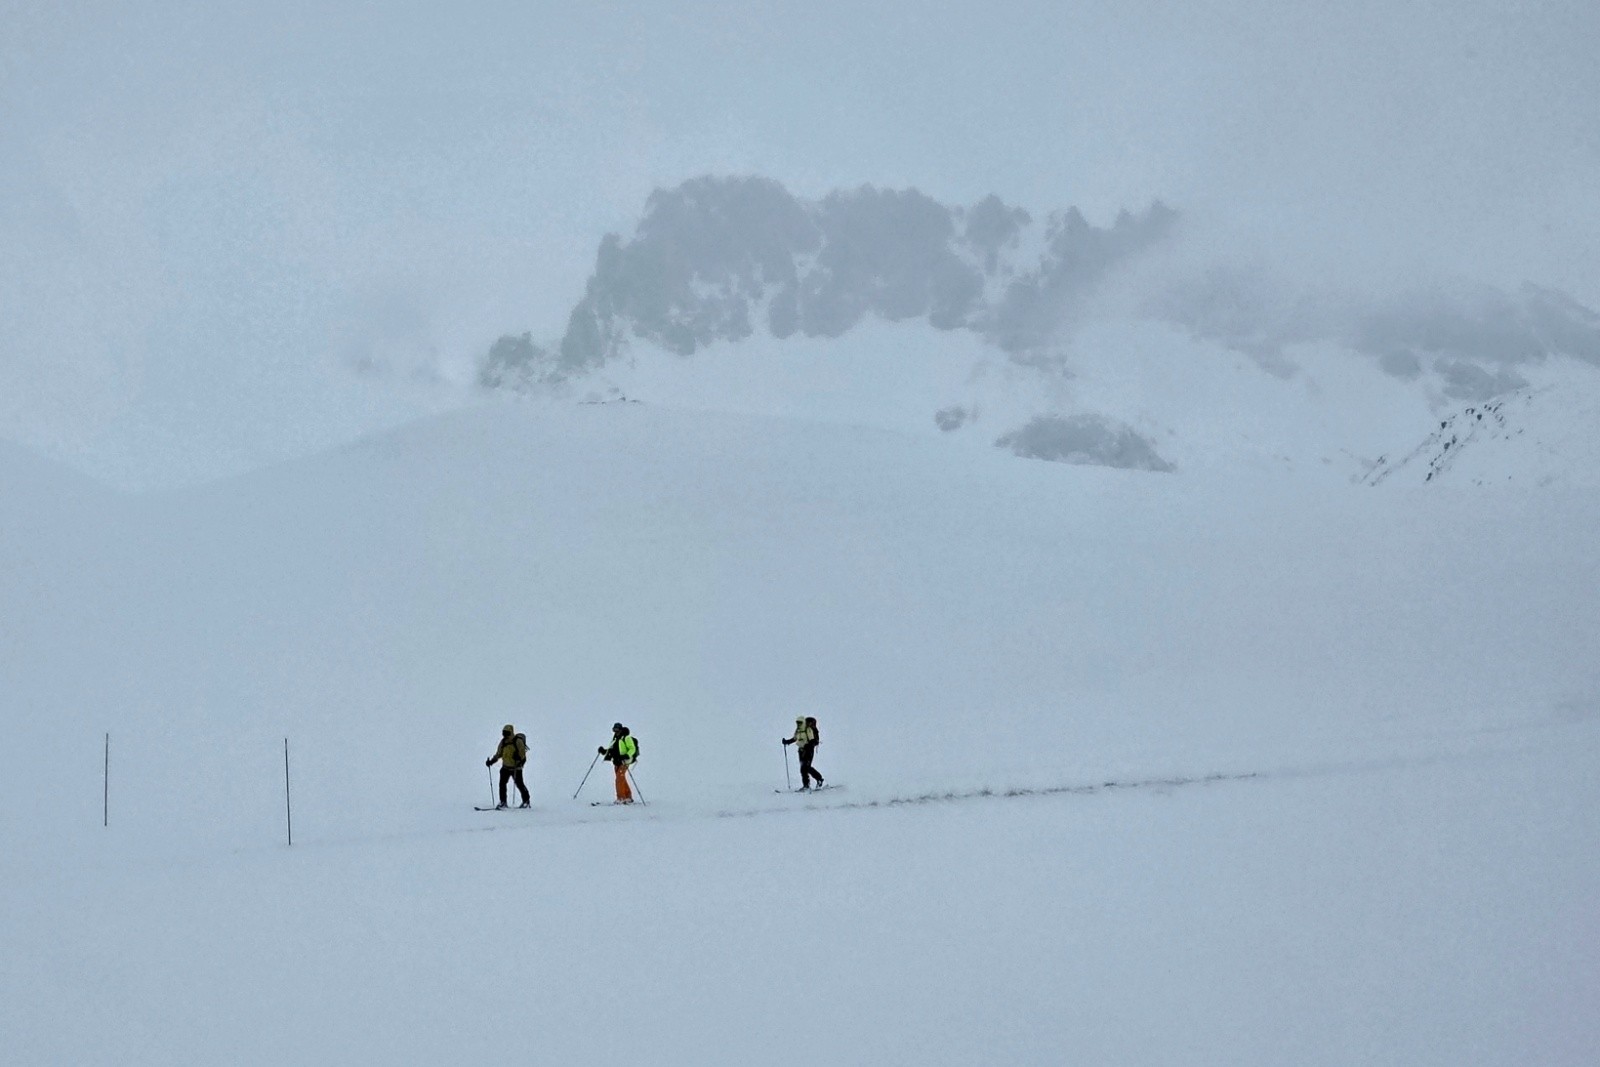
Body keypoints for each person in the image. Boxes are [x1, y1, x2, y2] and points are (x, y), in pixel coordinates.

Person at [486, 724, 530, 809]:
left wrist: (519, 758)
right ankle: (503, 802)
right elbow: (499, 754)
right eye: (503, 733)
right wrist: (491, 761)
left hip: (516, 768)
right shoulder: (503, 742)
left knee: (520, 784)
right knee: (502, 784)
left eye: (506, 733)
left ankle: (526, 801)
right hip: (505, 767)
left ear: (511, 732)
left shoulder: (518, 741)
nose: (505, 735)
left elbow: (523, 755)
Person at [598, 723, 639, 804]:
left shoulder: (626, 738)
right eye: (614, 730)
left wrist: (627, 755)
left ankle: (621, 798)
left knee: (619, 779)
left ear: (621, 729)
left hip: (624, 761)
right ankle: (628, 796)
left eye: (617, 730)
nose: (616, 732)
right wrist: (603, 751)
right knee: (621, 778)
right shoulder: (615, 739)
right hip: (617, 762)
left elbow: (632, 748)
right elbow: (611, 750)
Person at [783, 716, 823, 790]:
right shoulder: (798, 730)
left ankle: (817, 780)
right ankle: (808, 784)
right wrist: (787, 742)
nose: (798, 724)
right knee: (803, 768)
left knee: (806, 767)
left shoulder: (807, 729)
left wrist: (808, 746)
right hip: (801, 751)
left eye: (800, 722)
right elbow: (795, 738)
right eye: (797, 722)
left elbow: (812, 740)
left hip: (808, 750)